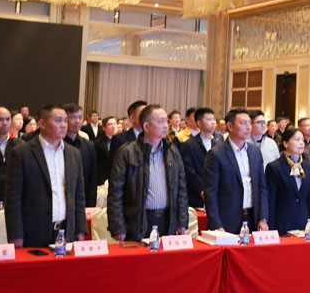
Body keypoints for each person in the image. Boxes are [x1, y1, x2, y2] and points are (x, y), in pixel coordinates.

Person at [4, 105, 87, 248]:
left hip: (66, 230)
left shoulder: (74, 153)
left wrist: (80, 229)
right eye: (58, 121)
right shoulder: (22, 153)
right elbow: (13, 198)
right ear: (42, 123)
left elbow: (78, 195)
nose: (64, 125)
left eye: (65, 120)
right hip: (33, 232)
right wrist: (15, 235)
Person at [107, 104, 188, 242]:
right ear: (146, 126)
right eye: (160, 122)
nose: (166, 125)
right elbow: (116, 193)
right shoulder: (127, 152)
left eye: (166, 121)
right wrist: (118, 226)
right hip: (137, 220)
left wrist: (182, 221)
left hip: (167, 220)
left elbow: (181, 191)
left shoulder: (173, 152)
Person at [203, 108, 268, 233]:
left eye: (249, 123)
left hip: (252, 218)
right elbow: (210, 193)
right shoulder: (216, 154)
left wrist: (263, 218)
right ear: (230, 126)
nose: (248, 127)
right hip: (226, 220)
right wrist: (217, 225)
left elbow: (262, 187)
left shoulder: (255, 152)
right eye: (243, 123)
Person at [265, 127, 310, 234]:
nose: (301, 143)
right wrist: (271, 228)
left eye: (302, 140)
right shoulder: (274, 168)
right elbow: (271, 200)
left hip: (303, 222)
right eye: (297, 140)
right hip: (282, 222)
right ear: (285, 143)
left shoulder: (308, 167)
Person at [180, 107, 223, 210]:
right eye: (209, 119)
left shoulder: (219, 144)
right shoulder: (188, 145)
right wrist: (204, 190)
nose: (213, 122)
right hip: (196, 198)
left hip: (217, 196)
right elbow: (189, 172)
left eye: (214, 119)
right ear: (199, 123)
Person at [64, 104, 98, 208]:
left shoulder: (89, 146)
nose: (77, 121)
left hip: (82, 200)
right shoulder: (57, 144)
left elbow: (92, 179)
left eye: (80, 117)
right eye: (73, 118)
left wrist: (90, 206)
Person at [94, 116, 118, 184]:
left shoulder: (121, 141)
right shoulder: (97, 143)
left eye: (115, 124)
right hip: (102, 179)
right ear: (104, 128)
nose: (113, 126)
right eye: (110, 124)